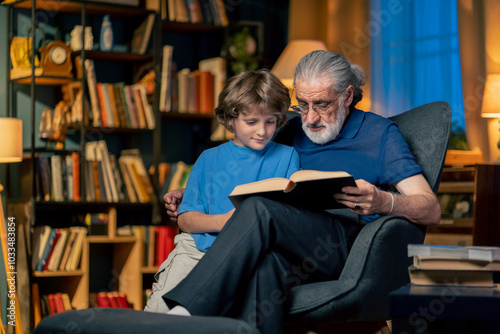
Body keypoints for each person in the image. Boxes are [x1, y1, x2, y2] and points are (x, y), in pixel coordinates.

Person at [162, 51, 441, 333]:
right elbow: (254, 167)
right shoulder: (293, 129)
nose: (310, 117)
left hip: (345, 246)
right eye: (302, 105)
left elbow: (431, 209)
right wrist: (192, 190)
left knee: (259, 209)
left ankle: (186, 312)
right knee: (264, 266)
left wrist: (383, 201)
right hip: (289, 244)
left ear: (346, 95)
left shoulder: (380, 134)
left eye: (320, 105)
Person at [144, 69, 301, 313]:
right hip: (196, 251)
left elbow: (292, 209)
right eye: (251, 122)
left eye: (270, 122)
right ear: (231, 119)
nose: (262, 131)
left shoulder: (287, 156)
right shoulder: (209, 159)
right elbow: (185, 220)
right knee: (159, 314)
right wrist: (228, 222)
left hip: (250, 256)